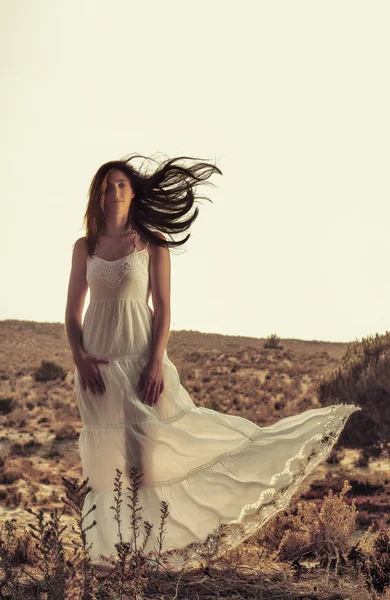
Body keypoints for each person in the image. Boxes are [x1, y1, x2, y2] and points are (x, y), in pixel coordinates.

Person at [65, 153, 361, 570]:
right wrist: (79, 359)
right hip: (96, 368)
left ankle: (151, 553)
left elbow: (164, 311)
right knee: (104, 461)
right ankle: (110, 557)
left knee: (143, 458)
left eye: (120, 185)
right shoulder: (85, 247)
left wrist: (154, 365)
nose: (112, 192)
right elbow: (72, 311)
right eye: (105, 185)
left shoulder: (151, 244)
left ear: (133, 194)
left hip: (139, 361)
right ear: (96, 195)